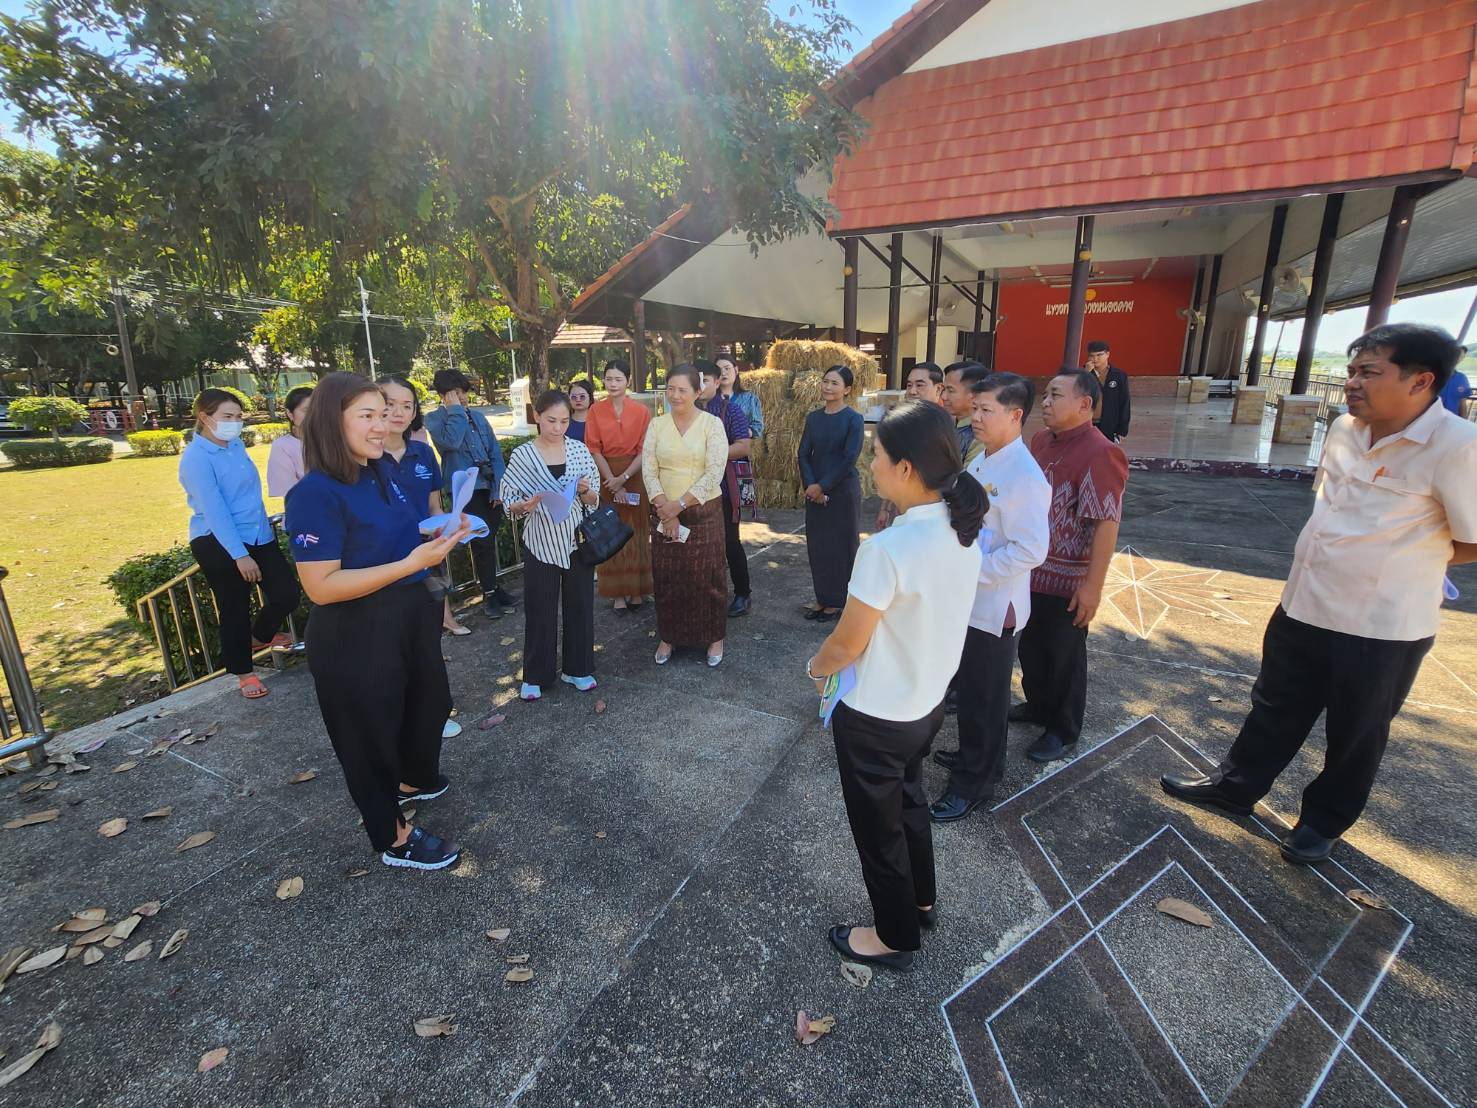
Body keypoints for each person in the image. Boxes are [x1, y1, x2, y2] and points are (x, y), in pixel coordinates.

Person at [1163, 323, 1477, 864]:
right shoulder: (1343, 429)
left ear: (1421, 381)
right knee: (1273, 707)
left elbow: (1471, 541)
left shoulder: (1457, 447)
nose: (1353, 383)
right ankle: (1235, 789)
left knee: (1356, 730)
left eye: (1369, 372)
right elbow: (1328, 506)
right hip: (1304, 602)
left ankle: (1321, 823)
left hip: (1382, 626)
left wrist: (1398, 562)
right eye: (1352, 371)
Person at [807, 399, 985, 970]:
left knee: (877, 828)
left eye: (877, 456)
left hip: (877, 715)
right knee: (907, 802)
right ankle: (921, 899)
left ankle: (893, 935)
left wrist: (817, 667)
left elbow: (846, 643)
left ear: (905, 468)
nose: (871, 466)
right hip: (925, 703)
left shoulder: (887, 549)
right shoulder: (963, 532)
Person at [285, 372, 470, 871]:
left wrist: (444, 529)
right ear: (330, 422)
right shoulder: (314, 494)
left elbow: (404, 530)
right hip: (354, 632)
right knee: (370, 737)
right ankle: (393, 835)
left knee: (429, 703)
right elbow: (321, 586)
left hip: (408, 613)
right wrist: (411, 564)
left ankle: (412, 779)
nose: (380, 423)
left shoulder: (382, 469)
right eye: (365, 415)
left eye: (382, 413)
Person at [931, 373, 1050, 820]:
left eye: (986, 411)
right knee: (976, 691)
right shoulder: (985, 459)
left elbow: (1031, 549)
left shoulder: (1024, 474)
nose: (975, 416)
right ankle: (976, 760)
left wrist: (973, 572)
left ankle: (973, 785)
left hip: (995, 605)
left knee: (985, 697)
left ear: (1015, 415)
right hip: (971, 601)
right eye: (974, 408)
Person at [1012, 369, 1128, 763]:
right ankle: (1037, 706)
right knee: (1031, 648)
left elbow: (1106, 523)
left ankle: (1062, 729)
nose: (1045, 402)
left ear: (1084, 404)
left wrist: (1093, 586)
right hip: (1029, 570)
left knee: (1063, 656)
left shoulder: (1102, 452)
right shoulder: (1042, 440)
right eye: (1045, 394)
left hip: (1067, 579)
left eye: (1055, 395)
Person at [178, 388, 301, 700]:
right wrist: (240, 555)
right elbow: (216, 510)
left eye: (237, 416)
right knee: (234, 608)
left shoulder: (233, 446)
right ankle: (245, 674)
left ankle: (260, 636)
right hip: (218, 541)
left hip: (258, 533)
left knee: (286, 593)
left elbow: (248, 496)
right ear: (204, 418)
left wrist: (262, 536)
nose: (235, 422)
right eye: (226, 417)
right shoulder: (196, 458)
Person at [500, 390, 602, 701]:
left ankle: (578, 667)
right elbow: (507, 498)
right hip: (540, 541)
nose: (558, 428)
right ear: (537, 417)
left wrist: (585, 491)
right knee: (540, 609)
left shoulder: (579, 450)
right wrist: (521, 506)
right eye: (551, 421)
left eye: (564, 421)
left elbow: (595, 496)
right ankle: (536, 674)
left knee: (580, 606)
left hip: (576, 541)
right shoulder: (523, 455)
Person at [642, 362, 730, 666]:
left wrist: (679, 506)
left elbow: (714, 472)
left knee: (708, 576)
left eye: (682, 390)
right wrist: (665, 508)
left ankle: (713, 637)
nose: (675, 395)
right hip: (664, 510)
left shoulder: (711, 424)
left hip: (703, 511)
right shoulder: (656, 425)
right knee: (668, 576)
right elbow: (649, 470)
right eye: (670, 389)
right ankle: (669, 636)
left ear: (697, 391)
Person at [423, 369, 518, 619]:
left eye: (463, 392)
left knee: (489, 542)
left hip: (489, 488)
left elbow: (495, 452)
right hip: (466, 492)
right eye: (454, 393)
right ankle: (489, 594)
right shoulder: (435, 419)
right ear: (444, 395)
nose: (461, 397)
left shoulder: (478, 417)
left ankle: (493, 588)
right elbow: (451, 443)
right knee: (481, 541)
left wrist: (499, 487)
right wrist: (455, 411)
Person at [585, 359, 654, 612]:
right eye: (608, 378)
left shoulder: (641, 411)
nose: (612, 383)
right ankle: (617, 593)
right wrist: (612, 482)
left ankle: (637, 589)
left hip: (634, 476)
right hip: (606, 475)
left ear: (628, 381)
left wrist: (623, 479)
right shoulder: (595, 411)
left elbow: (644, 450)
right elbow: (594, 448)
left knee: (636, 531)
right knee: (610, 530)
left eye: (618, 379)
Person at [799, 366, 865, 621]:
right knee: (818, 545)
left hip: (842, 489)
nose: (828, 387)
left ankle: (839, 601)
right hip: (814, 487)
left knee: (841, 545)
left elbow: (849, 458)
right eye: (825, 381)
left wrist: (822, 485)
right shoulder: (813, 418)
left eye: (834, 383)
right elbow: (803, 453)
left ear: (846, 390)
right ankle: (823, 596)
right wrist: (810, 484)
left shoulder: (853, 419)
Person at [698, 359, 756, 617]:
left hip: (722, 486)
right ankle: (705, 590)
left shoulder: (730, 411)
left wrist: (710, 456)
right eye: (694, 380)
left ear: (718, 381)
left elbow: (743, 446)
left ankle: (742, 593)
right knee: (699, 542)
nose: (698, 386)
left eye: (705, 381)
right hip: (689, 488)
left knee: (730, 541)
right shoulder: (682, 412)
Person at [875, 362, 947, 530]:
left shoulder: (946, 426)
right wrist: (885, 508)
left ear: (938, 389)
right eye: (909, 385)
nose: (912, 391)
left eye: (920, 385)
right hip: (901, 509)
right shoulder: (904, 423)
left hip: (933, 514)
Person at [266, 385, 313, 498]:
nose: (313, 415)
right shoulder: (282, 446)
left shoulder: (333, 440)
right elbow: (290, 492)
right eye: (306, 410)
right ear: (290, 413)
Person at [942, 361, 990, 464]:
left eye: (950, 390)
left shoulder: (980, 435)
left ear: (973, 394)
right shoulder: (948, 423)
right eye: (944, 389)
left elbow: (969, 478)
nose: (943, 396)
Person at [1086, 340, 1131, 441]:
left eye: (1099, 355)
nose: (1095, 359)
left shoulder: (1119, 375)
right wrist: (1086, 374)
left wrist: (1121, 429)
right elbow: (1076, 394)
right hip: (1088, 424)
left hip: (1109, 424)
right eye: (1092, 356)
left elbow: (1124, 402)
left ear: (1107, 354)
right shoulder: (1082, 374)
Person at [716, 353, 764, 437]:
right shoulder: (710, 399)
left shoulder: (749, 398)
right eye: (718, 370)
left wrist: (741, 431)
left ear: (736, 370)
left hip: (740, 446)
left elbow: (758, 426)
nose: (723, 373)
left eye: (727, 368)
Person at [566, 378, 594, 443]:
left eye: (582, 396)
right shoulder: (564, 421)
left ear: (590, 398)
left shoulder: (598, 421)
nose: (578, 400)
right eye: (573, 397)